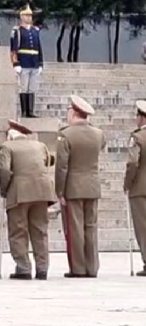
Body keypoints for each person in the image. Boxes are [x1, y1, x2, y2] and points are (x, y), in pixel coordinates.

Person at [0, 119, 57, 280]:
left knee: (18, 230)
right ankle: (42, 267)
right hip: (42, 192)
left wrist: (4, 190)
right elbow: (49, 161)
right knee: (40, 231)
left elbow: (4, 170)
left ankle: (23, 267)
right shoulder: (39, 145)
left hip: (19, 193)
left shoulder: (7, 147)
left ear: (10, 135)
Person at [55, 95, 105, 278]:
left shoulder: (66, 135)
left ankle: (78, 267)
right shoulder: (98, 133)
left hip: (73, 187)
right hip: (92, 185)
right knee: (90, 227)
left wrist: (59, 190)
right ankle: (92, 267)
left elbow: (62, 166)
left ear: (74, 112)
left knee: (75, 228)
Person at [10, 3, 43, 118]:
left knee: (32, 88)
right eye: (27, 15)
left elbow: (39, 47)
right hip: (23, 62)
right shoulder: (18, 31)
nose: (29, 18)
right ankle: (24, 111)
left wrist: (40, 63)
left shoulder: (35, 31)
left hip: (34, 62)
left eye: (30, 16)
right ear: (21, 17)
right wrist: (16, 63)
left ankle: (31, 111)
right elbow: (14, 49)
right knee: (24, 87)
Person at [124, 100, 146, 277]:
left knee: (143, 227)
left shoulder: (138, 137)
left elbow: (133, 163)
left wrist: (127, 184)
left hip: (141, 188)